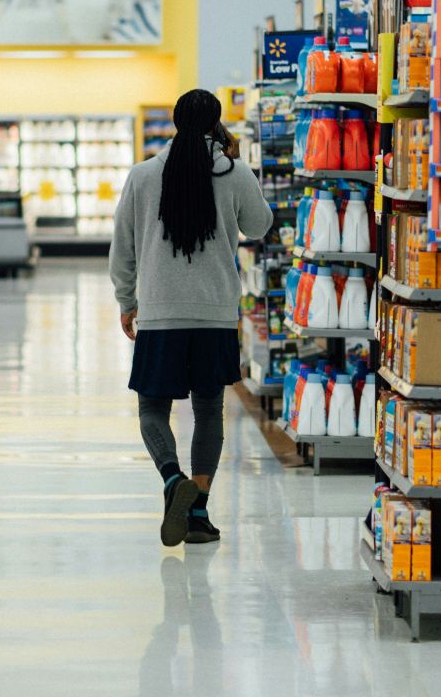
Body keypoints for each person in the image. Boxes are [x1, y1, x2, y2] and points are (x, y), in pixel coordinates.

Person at [110, 89, 273, 547]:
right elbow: (259, 226)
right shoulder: (233, 171)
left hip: (160, 312)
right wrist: (239, 166)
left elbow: (121, 248)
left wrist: (127, 300)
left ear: (176, 121)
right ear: (217, 125)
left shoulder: (143, 176)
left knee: (152, 409)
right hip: (215, 313)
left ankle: (171, 479)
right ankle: (198, 512)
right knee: (208, 409)